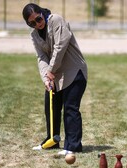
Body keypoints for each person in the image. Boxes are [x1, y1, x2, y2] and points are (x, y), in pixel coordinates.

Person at [22, 3, 88, 155]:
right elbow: (41, 57)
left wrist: (51, 71)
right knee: (51, 107)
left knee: (70, 108)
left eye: (38, 19)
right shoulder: (34, 35)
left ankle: (73, 146)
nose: (37, 24)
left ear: (42, 13)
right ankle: (52, 141)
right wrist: (46, 77)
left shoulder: (56, 21)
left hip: (74, 72)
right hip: (55, 75)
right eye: (31, 23)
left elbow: (60, 47)